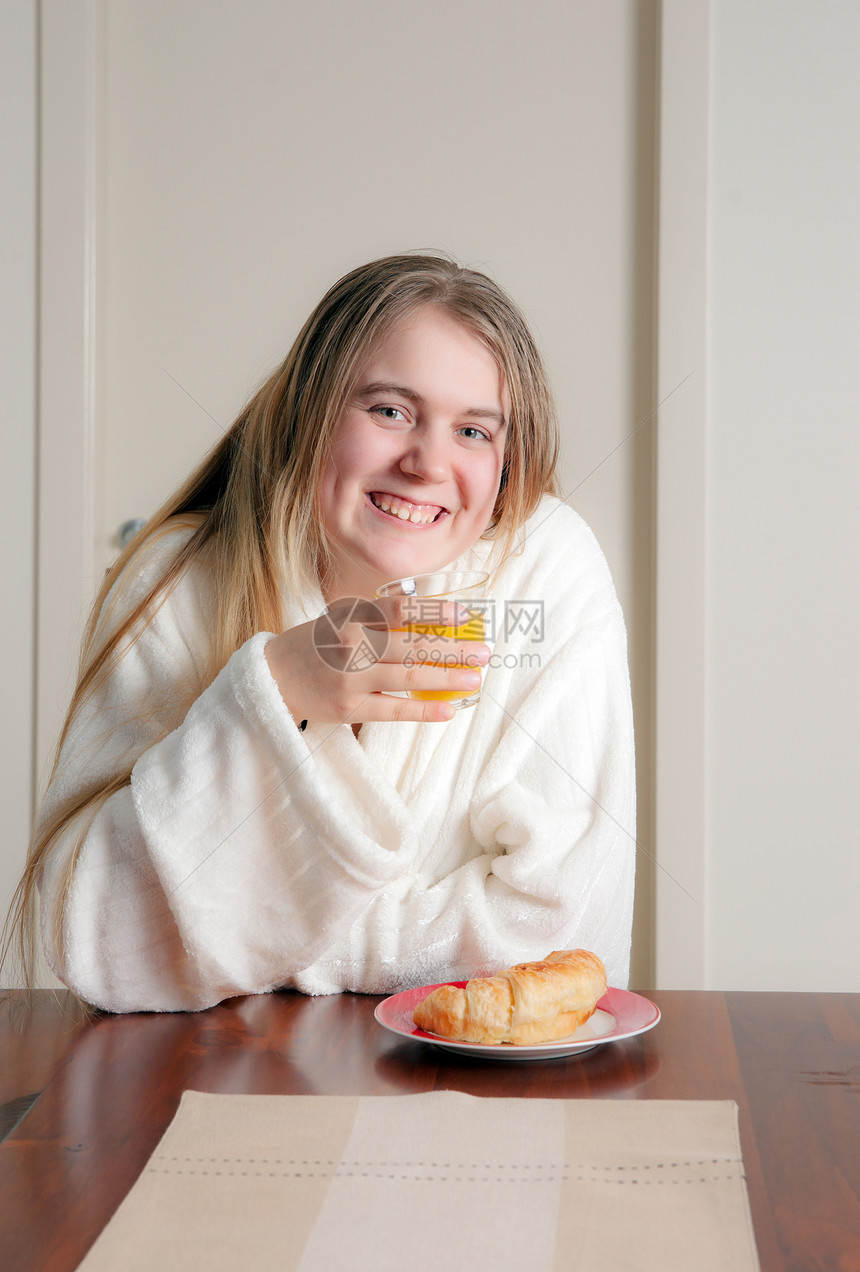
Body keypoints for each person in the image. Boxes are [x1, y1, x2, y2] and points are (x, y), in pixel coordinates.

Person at [3, 253, 636, 1013]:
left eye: (473, 430)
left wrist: (255, 944)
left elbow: (559, 936)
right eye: (390, 410)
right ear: (311, 408)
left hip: (484, 1088)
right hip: (217, 1082)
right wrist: (276, 693)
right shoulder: (178, 585)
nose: (427, 462)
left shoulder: (548, 571)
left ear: (507, 461)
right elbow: (92, 935)